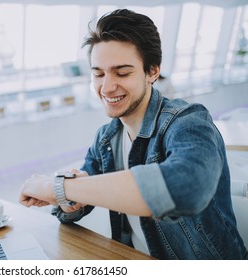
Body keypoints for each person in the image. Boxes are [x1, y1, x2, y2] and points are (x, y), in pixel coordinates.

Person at [19, 9, 248, 260]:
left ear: (152, 71)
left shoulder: (189, 122)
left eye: (122, 72)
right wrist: (66, 194)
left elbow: (185, 189)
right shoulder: (105, 138)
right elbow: (73, 208)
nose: (106, 87)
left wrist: (58, 187)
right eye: (98, 74)